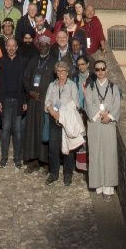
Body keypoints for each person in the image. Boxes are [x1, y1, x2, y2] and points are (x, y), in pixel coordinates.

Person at [83, 56, 121, 196]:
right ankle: (97, 184)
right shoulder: (91, 86)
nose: (100, 72)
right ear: (95, 71)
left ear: (107, 70)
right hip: (96, 124)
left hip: (108, 124)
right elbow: (88, 103)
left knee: (109, 154)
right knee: (96, 153)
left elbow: (117, 104)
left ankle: (109, 186)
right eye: (97, 69)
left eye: (102, 69)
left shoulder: (113, 87)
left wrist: (109, 116)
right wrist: (100, 113)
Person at [45, 58, 85, 186]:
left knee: (69, 148)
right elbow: (47, 102)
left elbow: (76, 103)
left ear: (67, 72)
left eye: (63, 71)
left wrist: (63, 113)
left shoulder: (72, 85)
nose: (61, 73)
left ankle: (68, 174)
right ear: (56, 72)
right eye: (58, 71)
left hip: (67, 121)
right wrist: (52, 111)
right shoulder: (52, 85)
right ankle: (54, 173)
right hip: (54, 120)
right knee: (53, 148)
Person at [21, 32, 55, 170]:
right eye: (40, 45)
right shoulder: (34, 60)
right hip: (33, 101)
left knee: (44, 130)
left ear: (49, 46)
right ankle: (33, 159)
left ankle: (45, 161)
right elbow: (25, 78)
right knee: (32, 130)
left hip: (46, 102)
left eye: (45, 45)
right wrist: (30, 92)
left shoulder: (53, 62)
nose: (43, 47)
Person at [0, 33, 25, 168]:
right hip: (6, 100)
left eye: (14, 46)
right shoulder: (1, 62)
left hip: (18, 100)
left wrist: (24, 101)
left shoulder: (22, 61)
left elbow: (24, 83)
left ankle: (17, 159)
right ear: (6, 47)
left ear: (17, 47)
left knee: (17, 131)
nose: (11, 48)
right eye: (9, 46)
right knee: (6, 130)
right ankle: (4, 158)